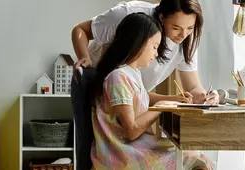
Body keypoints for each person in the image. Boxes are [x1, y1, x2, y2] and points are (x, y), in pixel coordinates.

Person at [87, 12, 214, 170]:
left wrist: (174, 99)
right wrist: (161, 107)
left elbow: (140, 96)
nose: (156, 54)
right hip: (121, 156)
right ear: (139, 43)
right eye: (154, 47)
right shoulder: (118, 77)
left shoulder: (131, 73)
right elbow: (131, 131)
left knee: (196, 156)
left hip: (136, 148)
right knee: (194, 161)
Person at [71, 0, 219, 105]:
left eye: (190, 28)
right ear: (161, 17)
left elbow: (193, 87)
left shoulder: (186, 37)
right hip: (99, 86)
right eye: (176, 28)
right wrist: (85, 58)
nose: (183, 35)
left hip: (130, 97)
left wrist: (207, 97)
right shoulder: (130, 15)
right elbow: (80, 30)